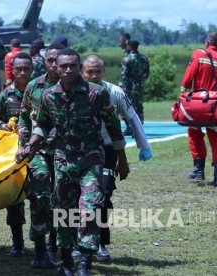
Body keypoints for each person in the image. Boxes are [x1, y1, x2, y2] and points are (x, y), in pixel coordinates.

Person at [16, 48, 129, 276]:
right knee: (63, 212)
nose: (68, 70)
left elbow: (113, 128)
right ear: (55, 68)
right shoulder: (48, 96)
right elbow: (42, 125)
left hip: (91, 159)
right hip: (63, 161)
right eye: (63, 66)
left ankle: (85, 262)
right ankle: (67, 262)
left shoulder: (96, 94)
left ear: (79, 67)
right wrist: (29, 147)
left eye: (73, 66)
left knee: (89, 208)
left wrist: (122, 160)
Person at [81, 54, 152, 261]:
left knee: (103, 195)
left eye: (97, 71)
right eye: (89, 71)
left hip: (108, 151)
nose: (93, 75)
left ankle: (101, 243)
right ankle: (81, 241)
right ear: (82, 72)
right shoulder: (73, 93)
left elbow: (132, 117)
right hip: (81, 152)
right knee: (80, 199)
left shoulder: (115, 92)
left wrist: (143, 147)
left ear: (103, 72)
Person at [18, 43, 66, 269]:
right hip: (38, 151)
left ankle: (56, 245)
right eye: (50, 60)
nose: (55, 64)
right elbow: (24, 116)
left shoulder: (74, 87)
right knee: (40, 194)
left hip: (65, 152)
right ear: (44, 62)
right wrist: (25, 143)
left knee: (62, 198)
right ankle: (39, 248)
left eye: (58, 60)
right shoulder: (34, 86)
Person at [181, 32, 217, 187]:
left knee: (194, 133)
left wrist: (183, 93)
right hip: (216, 106)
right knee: (216, 138)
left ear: (207, 43)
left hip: (198, 103)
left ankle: (198, 170)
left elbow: (187, 78)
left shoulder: (199, 54)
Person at [0, 52, 33, 259]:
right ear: (13, 70)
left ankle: (44, 243)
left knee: (41, 198)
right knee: (15, 199)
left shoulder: (41, 92)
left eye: (27, 68)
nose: (23, 72)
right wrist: (5, 126)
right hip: (14, 154)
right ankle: (18, 242)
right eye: (19, 68)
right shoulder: (5, 95)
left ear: (32, 69)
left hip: (39, 152)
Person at [119, 39, 149, 136]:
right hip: (140, 86)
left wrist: (121, 87)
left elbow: (124, 75)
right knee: (139, 107)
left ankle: (131, 128)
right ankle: (138, 128)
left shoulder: (127, 58)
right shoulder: (144, 58)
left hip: (129, 87)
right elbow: (147, 73)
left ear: (129, 46)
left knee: (126, 107)